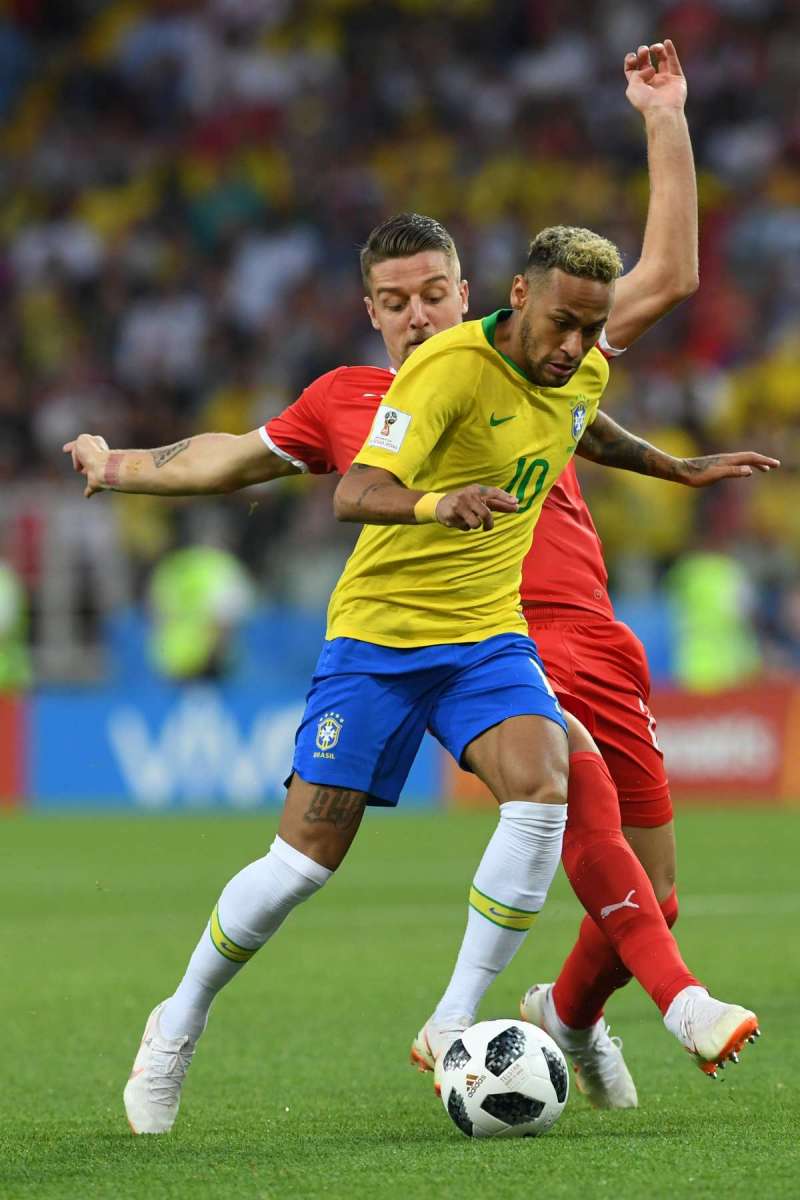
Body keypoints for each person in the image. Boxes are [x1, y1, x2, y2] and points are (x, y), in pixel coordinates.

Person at [64, 47, 769, 1133]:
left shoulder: (542, 347)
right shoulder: (348, 400)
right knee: (304, 863)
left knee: (548, 789)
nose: (417, 316)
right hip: (382, 639)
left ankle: (461, 1019)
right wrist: (120, 468)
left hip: (497, 637)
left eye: (434, 294)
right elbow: (230, 458)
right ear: (369, 311)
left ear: (472, 293)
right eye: (394, 302)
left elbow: (652, 301)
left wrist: (661, 117)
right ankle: (178, 1016)